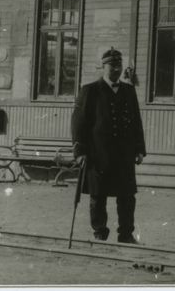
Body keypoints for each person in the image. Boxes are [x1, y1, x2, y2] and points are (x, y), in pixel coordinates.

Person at [72, 47, 147, 243]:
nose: (116, 69)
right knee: (98, 195)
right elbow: (79, 123)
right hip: (98, 154)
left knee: (127, 196)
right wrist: (80, 151)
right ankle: (100, 233)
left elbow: (136, 122)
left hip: (124, 154)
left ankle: (126, 234)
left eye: (119, 65)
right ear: (103, 67)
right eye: (112, 65)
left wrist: (139, 149)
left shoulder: (129, 91)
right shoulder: (90, 90)